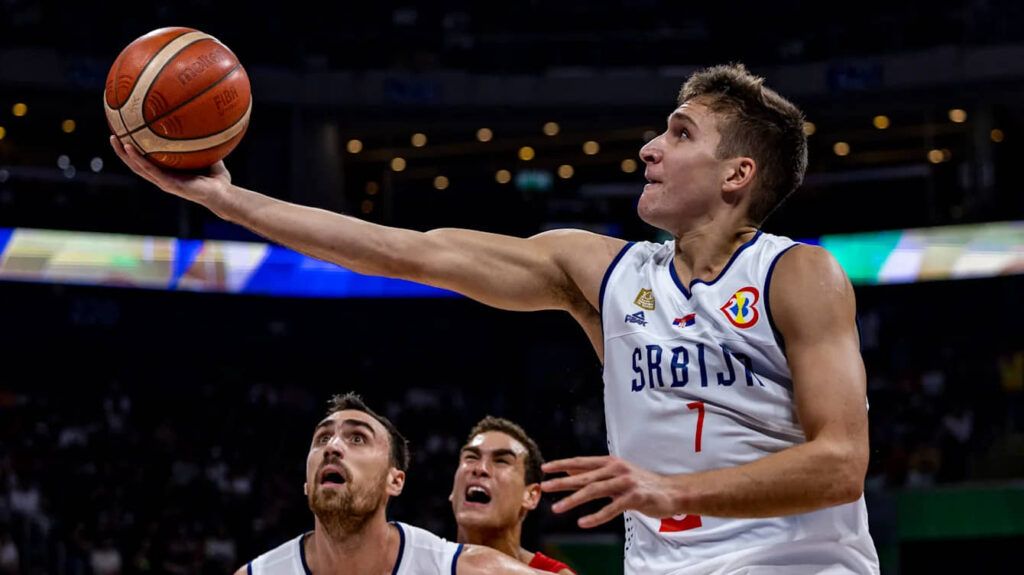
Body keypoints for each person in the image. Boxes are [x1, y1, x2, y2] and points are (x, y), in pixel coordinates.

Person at [113, 62, 880, 573]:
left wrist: (677, 490)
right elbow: (403, 252)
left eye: (680, 134)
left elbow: (842, 461)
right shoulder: (603, 273)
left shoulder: (797, 273)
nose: (650, 147)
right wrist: (224, 199)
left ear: (737, 174)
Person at [236, 393, 544, 574]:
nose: (333, 447)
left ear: (394, 481)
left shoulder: (462, 568)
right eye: (322, 438)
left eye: (357, 438)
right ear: (306, 484)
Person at [450, 417, 575, 574]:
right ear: (453, 491)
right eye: (471, 457)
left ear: (530, 496)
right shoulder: (420, 561)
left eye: (501, 461)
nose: (480, 468)